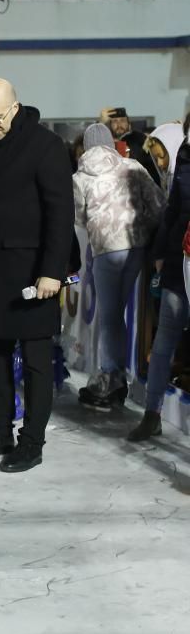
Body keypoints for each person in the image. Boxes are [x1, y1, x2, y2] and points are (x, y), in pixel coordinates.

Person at [0, 78, 74, 473]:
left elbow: (61, 215)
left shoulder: (46, 147)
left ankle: (32, 442)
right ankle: (1, 433)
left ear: (14, 108)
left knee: (38, 361)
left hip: (33, 274)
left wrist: (51, 272)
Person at [73, 123, 166, 411]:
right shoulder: (133, 166)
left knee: (110, 316)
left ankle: (111, 379)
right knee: (119, 315)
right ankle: (117, 375)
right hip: (136, 246)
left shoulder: (79, 177)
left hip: (106, 251)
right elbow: (157, 203)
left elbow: (77, 217)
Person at [128, 115, 190, 441]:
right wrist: (162, 256)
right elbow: (173, 212)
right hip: (180, 265)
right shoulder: (185, 159)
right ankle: (152, 414)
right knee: (164, 339)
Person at [99, 107, 158, 187]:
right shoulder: (106, 143)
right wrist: (101, 124)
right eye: (115, 121)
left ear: (129, 125)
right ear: (110, 125)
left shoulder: (139, 138)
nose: (119, 125)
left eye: (122, 121)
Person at [145, 122, 185, 193]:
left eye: (161, 156)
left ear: (175, 150)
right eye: (155, 159)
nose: (159, 163)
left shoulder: (185, 180)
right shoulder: (167, 180)